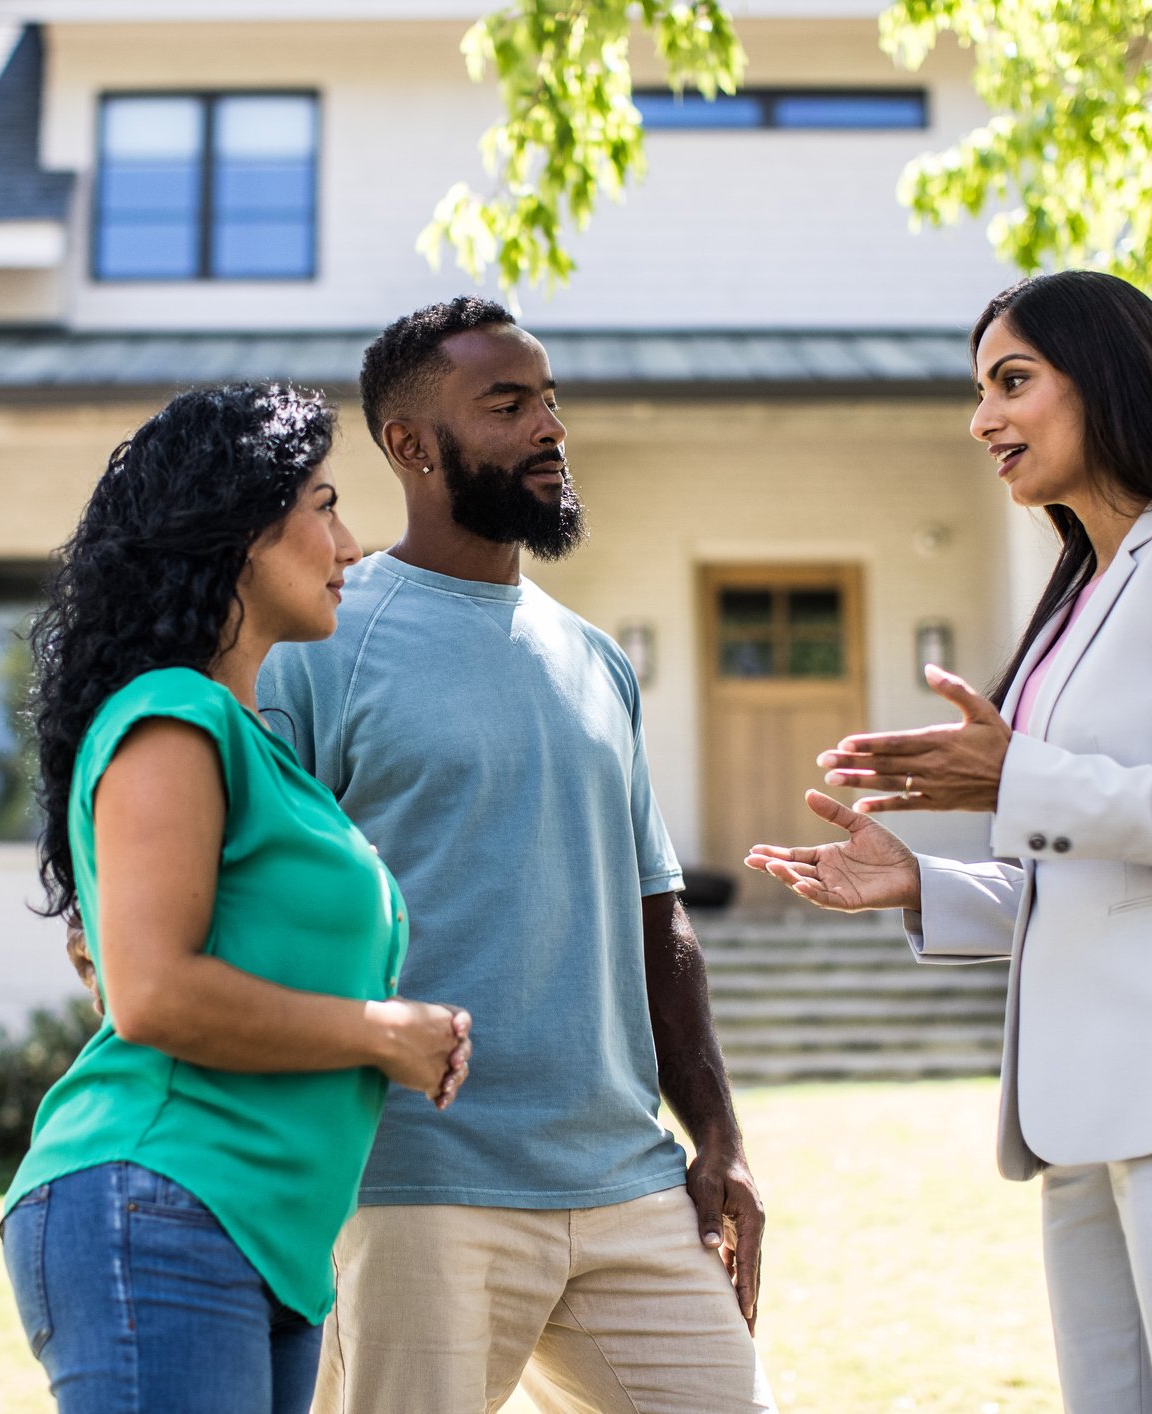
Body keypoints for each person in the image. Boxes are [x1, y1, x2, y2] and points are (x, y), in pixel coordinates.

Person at [746, 271, 1152, 1413]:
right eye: (979, 388)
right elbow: (1093, 870)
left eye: (1014, 381)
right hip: (1083, 1115)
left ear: (1114, 375)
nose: (982, 418)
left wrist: (1017, 772)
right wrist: (923, 884)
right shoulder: (1078, 595)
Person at [259, 298, 774, 1414]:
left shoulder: (595, 659)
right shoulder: (320, 647)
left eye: (549, 401)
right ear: (409, 446)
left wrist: (719, 1138)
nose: (548, 428)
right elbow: (260, 903)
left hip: (627, 1177)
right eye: (507, 405)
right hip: (418, 1183)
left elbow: (657, 916)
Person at [3, 383, 475, 1414]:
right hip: (162, 1195)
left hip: (264, 1238)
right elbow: (154, 996)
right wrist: (382, 1031)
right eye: (325, 504)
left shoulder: (265, 751)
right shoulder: (173, 715)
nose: (352, 545)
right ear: (241, 528)